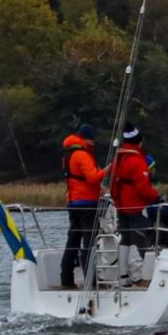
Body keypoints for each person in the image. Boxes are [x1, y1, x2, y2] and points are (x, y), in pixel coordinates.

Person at [111, 125, 168, 261]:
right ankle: (141, 271)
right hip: (136, 207)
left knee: (126, 240)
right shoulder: (137, 160)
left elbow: (113, 185)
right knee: (141, 239)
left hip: (122, 208)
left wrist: (117, 202)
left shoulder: (119, 159)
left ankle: (123, 271)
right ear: (138, 141)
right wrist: (156, 196)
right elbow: (143, 188)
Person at [59, 121, 105, 287]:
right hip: (87, 203)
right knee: (89, 242)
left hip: (73, 203)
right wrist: (108, 169)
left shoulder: (68, 155)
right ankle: (91, 281)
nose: (93, 143)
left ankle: (66, 279)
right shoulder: (82, 155)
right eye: (92, 140)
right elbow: (92, 178)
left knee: (73, 241)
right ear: (87, 139)